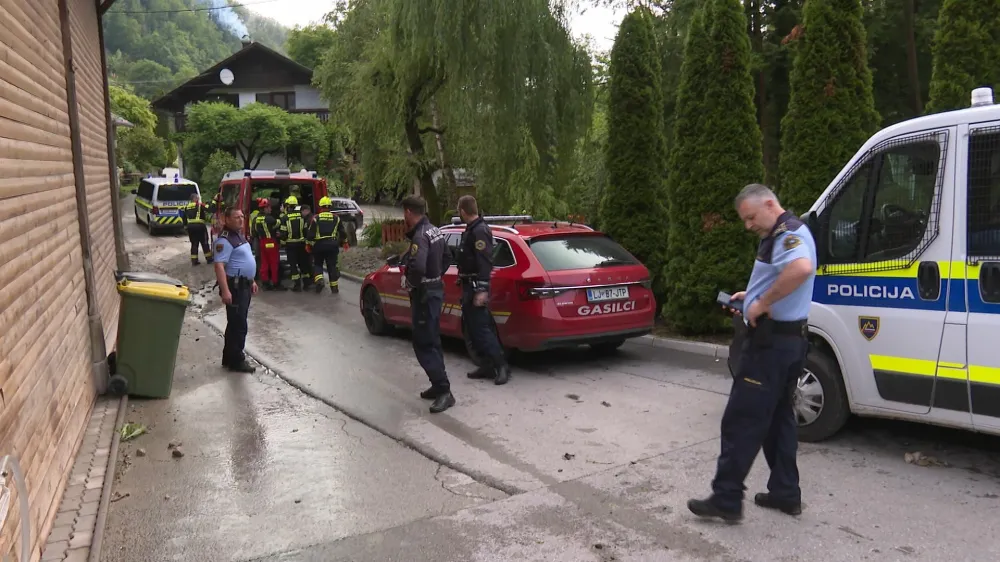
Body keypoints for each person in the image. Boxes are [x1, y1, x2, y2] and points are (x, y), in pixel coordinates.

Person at [688, 183, 816, 522]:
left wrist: (763, 302)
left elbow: (801, 269)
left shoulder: (788, 233)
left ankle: (727, 499)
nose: (748, 226)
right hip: (788, 342)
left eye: (750, 217)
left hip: (771, 347)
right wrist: (753, 294)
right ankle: (786, 493)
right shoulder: (779, 234)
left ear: (770, 203)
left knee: (741, 420)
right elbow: (784, 275)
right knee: (779, 420)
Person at [401, 196, 454, 413]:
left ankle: (444, 391)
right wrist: (436, 276)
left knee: (423, 341)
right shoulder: (435, 230)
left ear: (408, 212)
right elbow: (448, 257)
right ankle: (437, 384)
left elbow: (418, 266)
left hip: (424, 293)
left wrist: (411, 282)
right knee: (432, 338)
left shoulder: (421, 236)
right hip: (434, 289)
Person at [456, 195, 510, 385]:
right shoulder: (470, 230)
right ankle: (487, 365)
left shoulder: (479, 231)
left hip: (476, 287)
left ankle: (501, 365)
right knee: (472, 329)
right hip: (467, 285)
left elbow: (484, 262)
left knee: (482, 330)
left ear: (463, 211)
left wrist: (482, 289)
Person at [213, 206, 259, 374]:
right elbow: (219, 266)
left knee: (234, 324)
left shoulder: (238, 236)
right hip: (235, 288)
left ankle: (228, 358)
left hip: (244, 285)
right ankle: (237, 360)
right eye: (237, 217)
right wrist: (225, 291)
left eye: (242, 216)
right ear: (226, 219)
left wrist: (252, 280)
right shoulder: (224, 240)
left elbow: (243, 260)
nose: (241, 219)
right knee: (239, 325)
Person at [308, 196, 349, 294]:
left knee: (318, 264)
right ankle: (334, 288)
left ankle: (320, 280)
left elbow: (310, 234)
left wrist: (308, 244)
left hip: (319, 245)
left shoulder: (315, 218)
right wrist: (345, 242)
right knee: (332, 266)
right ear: (330, 206)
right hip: (332, 245)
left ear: (320, 207)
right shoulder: (336, 218)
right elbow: (342, 232)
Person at [279, 196, 310, 292]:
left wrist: (282, 242)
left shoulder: (285, 218)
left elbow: (283, 234)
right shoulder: (302, 216)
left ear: (287, 206)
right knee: (303, 264)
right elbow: (306, 231)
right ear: (296, 205)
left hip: (291, 246)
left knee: (293, 266)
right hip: (301, 244)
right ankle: (306, 284)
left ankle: (297, 285)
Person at [253, 198, 285, 291]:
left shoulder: (256, 219)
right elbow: (279, 223)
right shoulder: (269, 218)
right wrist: (282, 213)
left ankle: (265, 283)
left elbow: (254, 231)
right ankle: (276, 283)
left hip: (262, 242)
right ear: (265, 208)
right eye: (269, 207)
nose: (270, 209)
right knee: (274, 263)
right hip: (271, 242)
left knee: (264, 264)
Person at [182, 193, 214, 265]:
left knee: (194, 243)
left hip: (191, 227)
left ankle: (194, 261)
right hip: (200, 226)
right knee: (204, 242)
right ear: (194, 199)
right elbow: (209, 209)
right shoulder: (200, 205)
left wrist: (185, 226)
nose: (198, 199)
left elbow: (184, 218)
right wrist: (213, 201)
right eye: (197, 198)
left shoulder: (186, 207)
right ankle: (209, 259)